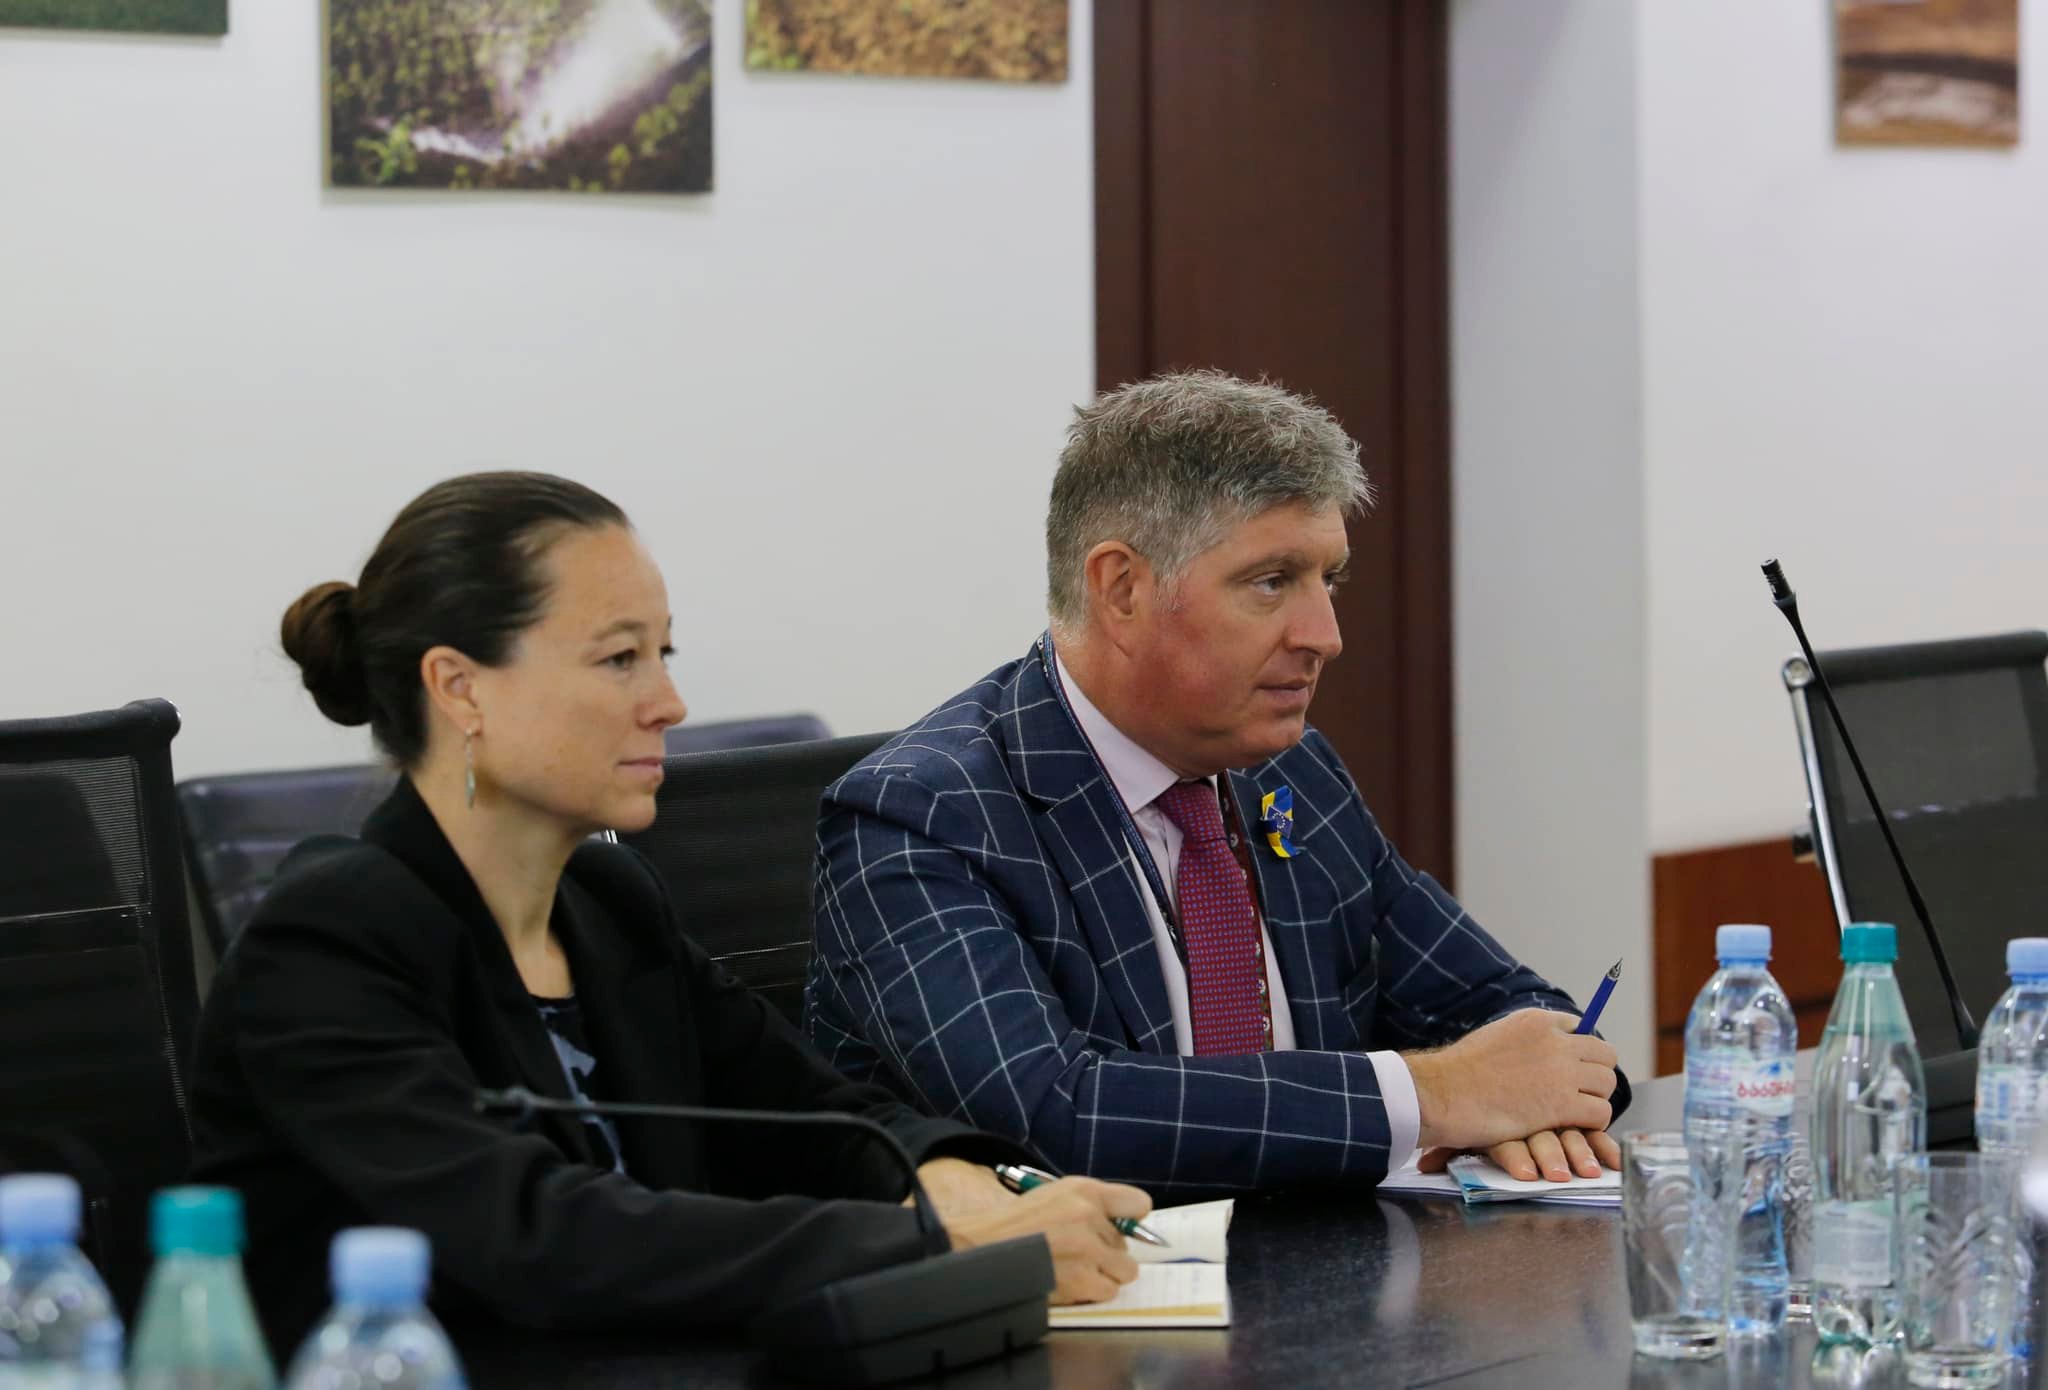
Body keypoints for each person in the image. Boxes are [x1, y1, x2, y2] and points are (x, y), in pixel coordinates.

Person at [186, 471, 1148, 1352]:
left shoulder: (610, 903)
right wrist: (938, 1239)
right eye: (619, 659)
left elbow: (816, 1116)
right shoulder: (326, 941)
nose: (669, 703)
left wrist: (941, 1178)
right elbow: (539, 1240)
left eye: (663, 653)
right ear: (459, 688)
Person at [808, 371, 1630, 1201]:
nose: (1325, 636)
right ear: (1122, 589)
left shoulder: (1292, 773)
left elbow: (1508, 1008)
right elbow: (1053, 1117)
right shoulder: (921, 816)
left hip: (1335, 1264)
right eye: (1272, 581)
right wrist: (1440, 1094)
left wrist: (1542, 1100)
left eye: (1329, 579)